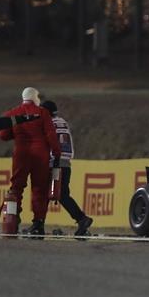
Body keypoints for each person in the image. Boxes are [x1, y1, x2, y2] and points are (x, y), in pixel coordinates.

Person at [0, 87, 60, 235]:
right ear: (35, 98)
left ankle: (13, 219)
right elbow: (51, 134)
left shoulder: (13, 113)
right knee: (40, 189)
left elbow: (2, 135)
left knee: (16, 188)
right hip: (41, 155)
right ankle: (38, 223)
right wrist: (56, 152)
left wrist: (16, 134)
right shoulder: (43, 113)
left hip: (21, 155)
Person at [40, 100, 93, 236]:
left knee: (43, 194)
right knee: (63, 195)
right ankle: (81, 219)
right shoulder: (62, 122)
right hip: (66, 164)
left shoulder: (48, 124)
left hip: (54, 164)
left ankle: (38, 224)